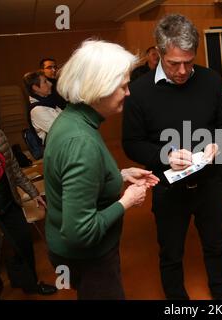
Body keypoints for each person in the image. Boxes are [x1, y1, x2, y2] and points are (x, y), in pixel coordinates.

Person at [122, 14, 222, 300]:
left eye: (189, 61)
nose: (183, 71)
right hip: (168, 187)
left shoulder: (210, 80)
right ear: (159, 52)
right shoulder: (138, 92)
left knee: (215, 243)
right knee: (171, 250)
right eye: (174, 63)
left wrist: (217, 145)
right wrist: (166, 155)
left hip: (209, 183)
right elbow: (132, 143)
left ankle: (221, 295)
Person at [44, 40, 159, 300]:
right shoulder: (81, 142)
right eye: (122, 86)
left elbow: (75, 180)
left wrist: (120, 175)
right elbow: (79, 232)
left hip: (66, 250)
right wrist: (126, 201)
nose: (128, 93)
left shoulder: (71, 119)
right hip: (89, 258)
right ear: (99, 89)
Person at [0, 126, 56, 300]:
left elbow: (14, 170)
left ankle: (29, 283)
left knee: (23, 241)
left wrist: (33, 192)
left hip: (8, 200)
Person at [23, 71, 63, 144]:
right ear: (35, 88)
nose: (50, 84)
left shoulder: (49, 101)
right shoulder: (37, 110)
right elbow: (61, 131)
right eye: (45, 82)